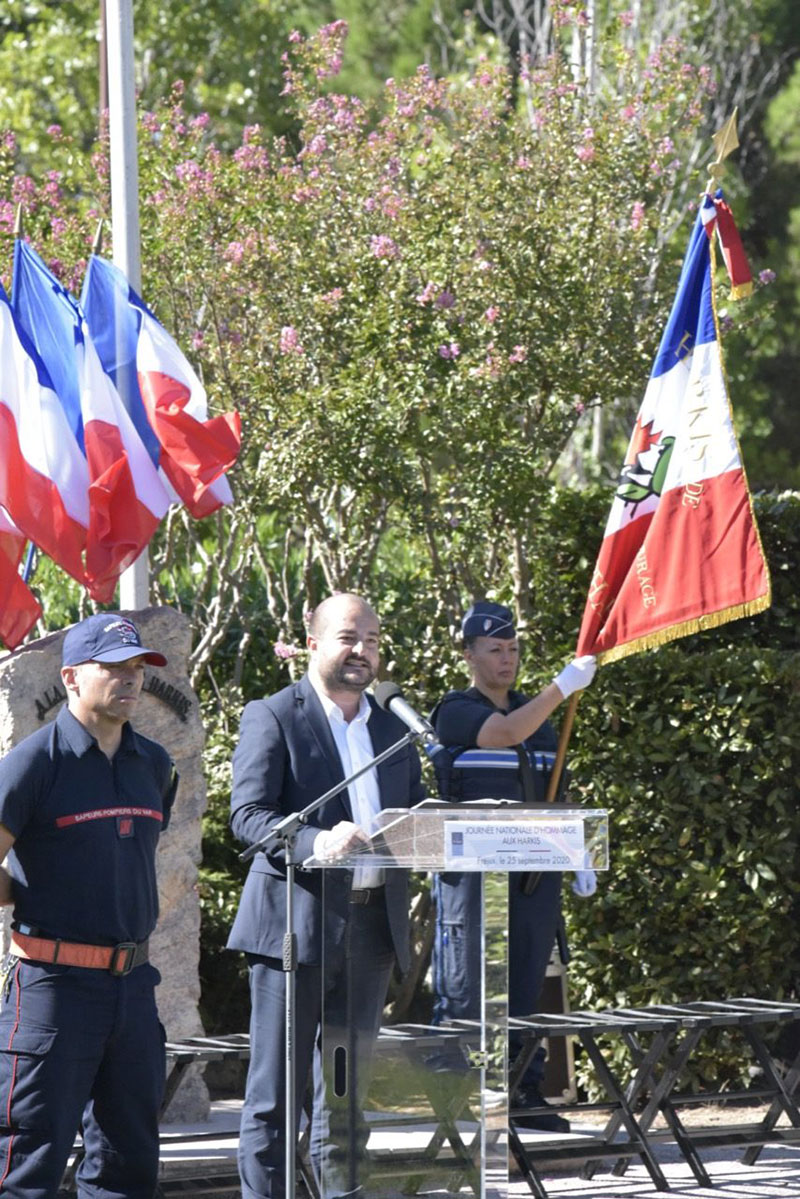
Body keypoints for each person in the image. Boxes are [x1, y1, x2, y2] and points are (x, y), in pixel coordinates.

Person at [228, 592, 425, 1199]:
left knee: (344, 1097)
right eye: (347, 637)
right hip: (297, 926)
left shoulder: (394, 725)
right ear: (313, 643)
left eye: (371, 638)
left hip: (370, 934)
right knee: (275, 1098)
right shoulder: (276, 714)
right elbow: (248, 816)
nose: (361, 650)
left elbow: (411, 816)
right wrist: (316, 838)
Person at [0, 612, 178, 1197]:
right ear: (72, 677)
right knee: (29, 1160)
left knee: (130, 1164)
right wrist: (29, 891)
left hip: (133, 988)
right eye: (113, 668)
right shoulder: (32, 764)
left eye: (136, 669)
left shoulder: (154, 764)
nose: (129, 680)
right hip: (53, 989)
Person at [430, 601, 596, 1132]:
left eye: (514, 649)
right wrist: (561, 688)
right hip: (474, 877)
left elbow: (553, 790)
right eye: (496, 650)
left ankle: (522, 1089)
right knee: (469, 986)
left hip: (532, 873)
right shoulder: (455, 709)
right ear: (469, 655)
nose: (508, 659)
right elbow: (502, 733)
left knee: (525, 983)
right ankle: (465, 1094)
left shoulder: (542, 718)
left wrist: (578, 848)